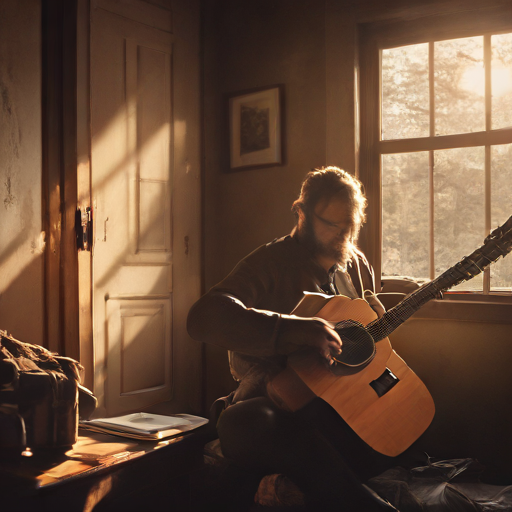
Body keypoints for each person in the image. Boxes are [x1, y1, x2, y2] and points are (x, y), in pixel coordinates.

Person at [187, 167, 400, 511]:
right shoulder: (270, 262)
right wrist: (294, 328)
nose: (343, 235)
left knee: (398, 417)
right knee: (243, 422)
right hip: (275, 403)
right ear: (301, 213)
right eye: (332, 225)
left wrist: (375, 329)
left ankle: (298, 488)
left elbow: (359, 346)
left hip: (339, 402)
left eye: (351, 225)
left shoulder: (357, 264)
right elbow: (203, 318)